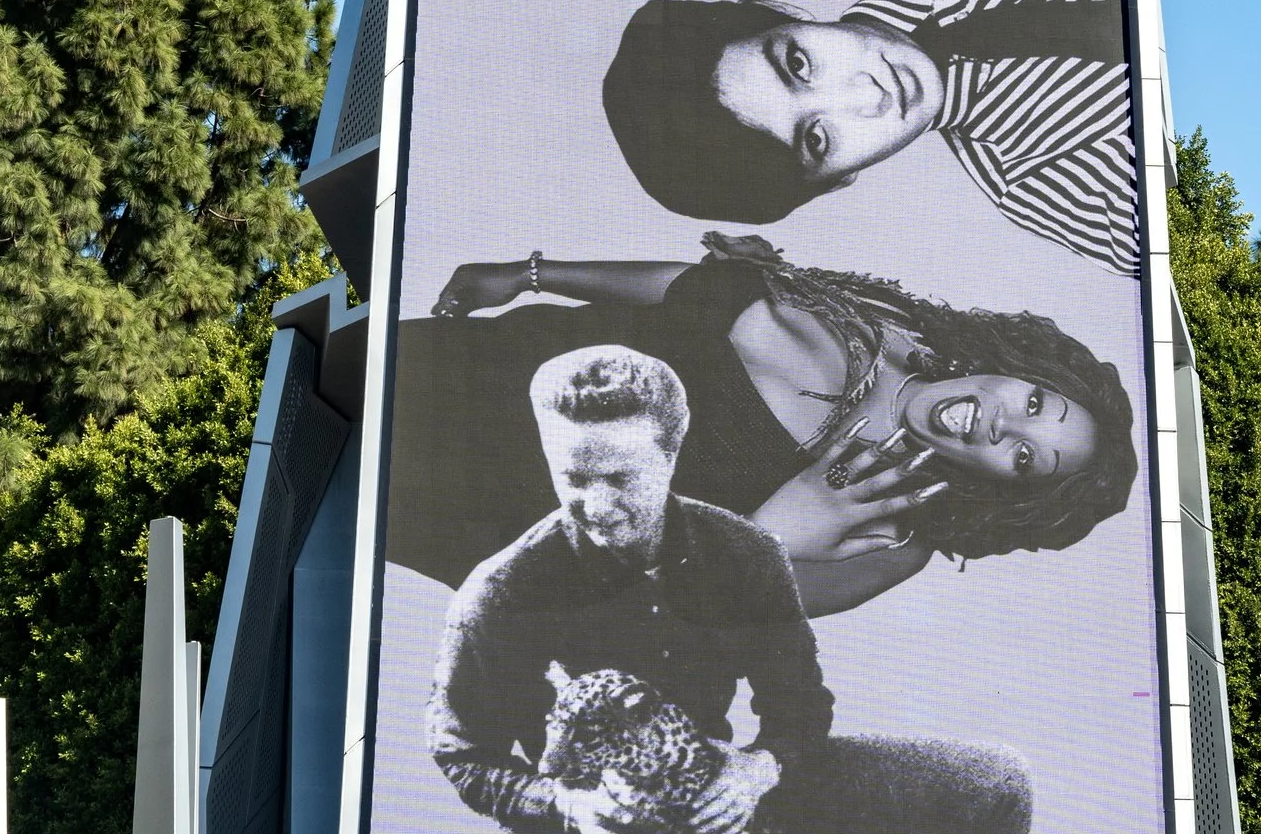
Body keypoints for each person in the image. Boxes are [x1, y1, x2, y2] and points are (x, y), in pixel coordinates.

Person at [426, 346, 1128, 834]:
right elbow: (462, 755)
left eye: (622, 478)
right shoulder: (500, 592)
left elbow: (800, 708)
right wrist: (568, 805)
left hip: (730, 790)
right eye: (574, 478)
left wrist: (759, 768)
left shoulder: (743, 549)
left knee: (995, 781)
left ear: (671, 453)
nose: (598, 506)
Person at [399, 233, 1139, 614]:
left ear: (1005, 489)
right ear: (1022, 369)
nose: (1003, 426)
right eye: (1036, 404)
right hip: (480, 363)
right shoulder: (894, 320)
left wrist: (774, 530)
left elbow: (675, 614)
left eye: (1025, 458)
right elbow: (689, 290)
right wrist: (533, 273)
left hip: (493, 498)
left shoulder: (892, 538)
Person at [599, 0, 1143, 276]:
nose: (866, 96)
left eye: (798, 65)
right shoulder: (1055, 186)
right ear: (840, 179)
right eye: (818, 139)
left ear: (780, 10)